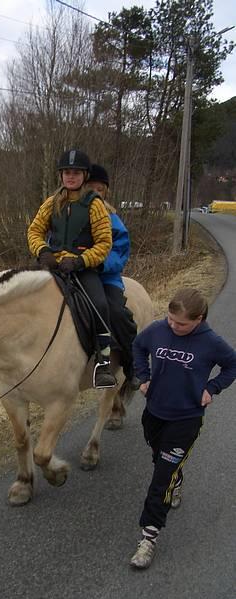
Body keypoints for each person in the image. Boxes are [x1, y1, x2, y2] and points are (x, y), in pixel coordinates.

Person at [130, 288, 236, 569]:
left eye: (182, 324)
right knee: (159, 460)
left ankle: (148, 537)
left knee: (160, 477)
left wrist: (212, 388)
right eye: (171, 320)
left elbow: (232, 365)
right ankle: (176, 479)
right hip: (154, 413)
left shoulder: (211, 342)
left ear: (199, 319)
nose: (174, 326)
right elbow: (138, 347)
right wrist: (143, 376)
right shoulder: (157, 330)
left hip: (186, 419)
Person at [27, 148, 115, 389]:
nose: (71, 176)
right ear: (61, 175)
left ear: (85, 175)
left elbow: (105, 243)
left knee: (100, 305)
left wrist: (80, 261)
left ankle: (103, 363)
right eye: (67, 172)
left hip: (82, 268)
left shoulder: (94, 205)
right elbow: (34, 231)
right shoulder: (52, 202)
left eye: (76, 172)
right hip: (52, 265)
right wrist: (43, 252)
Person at [85, 164, 139, 388]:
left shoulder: (112, 219)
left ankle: (132, 366)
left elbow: (120, 252)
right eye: (91, 188)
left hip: (104, 277)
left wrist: (99, 264)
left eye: (101, 190)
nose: (96, 193)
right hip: (72, 274)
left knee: (117, 313)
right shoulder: (70, 212)